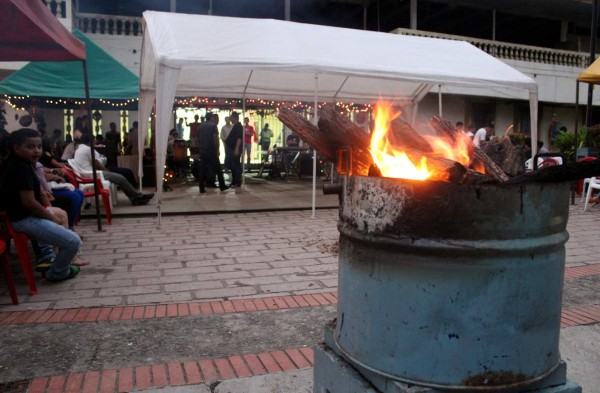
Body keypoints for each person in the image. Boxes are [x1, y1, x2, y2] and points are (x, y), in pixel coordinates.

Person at [0, 128, 81, 281]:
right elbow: (29, 203)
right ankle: (58, 272)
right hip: (21, 220)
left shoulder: (18, 163)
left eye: (39, 147)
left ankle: (47, 256)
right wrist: (51, 218)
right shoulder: (20, 168)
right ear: (16, 148)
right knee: (72, 241)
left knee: (57, 219)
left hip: (18, 217)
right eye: (30, 147)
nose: (36, 151)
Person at [73, 132, 154, 206]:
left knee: (120, 176)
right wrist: (108, 172)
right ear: (89, 141)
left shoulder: (79, 149)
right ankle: (137, 197)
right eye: (94, 140)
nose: (95, 142)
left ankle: (135, 197)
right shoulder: (87, 149)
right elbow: (97, 164)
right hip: (93, 175)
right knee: (120, 178)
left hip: (87, 174)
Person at [196, 113, 229, 193]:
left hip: (203, 151)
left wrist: (200, 148)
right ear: (211, 117)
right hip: (211, 151)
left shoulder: (200, 127)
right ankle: (222, 186)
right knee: (218, 169)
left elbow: (197, 140)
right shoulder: (213, 126)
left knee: (202, 170)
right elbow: (215, 139)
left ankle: (201, 188)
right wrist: (217, 150)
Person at [225, 112, 243, 187]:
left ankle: (237, 181)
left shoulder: (238, 126)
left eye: (231, 117)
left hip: (235, 148)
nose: (230, 119)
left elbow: (239, 138)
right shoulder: (235, 126)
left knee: (236, 165)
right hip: (232, 148)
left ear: (234, 117)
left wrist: (236, 148)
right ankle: (234, 181)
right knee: (233, 165)